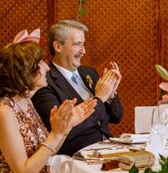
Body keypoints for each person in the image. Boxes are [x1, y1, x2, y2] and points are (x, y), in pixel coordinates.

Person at [0, 30, 96, 173]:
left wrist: (65, 127)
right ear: (24, 72)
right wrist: (56, 134)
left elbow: (47, 152)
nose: (46, 67)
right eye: (39, 63)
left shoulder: (26, 103)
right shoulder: (5, 112)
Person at [32, 20, 124, 156]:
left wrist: (110, 95)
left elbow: (117, 117)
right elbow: (64, 132)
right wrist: (100, 98)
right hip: (76, 158)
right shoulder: (45, 83)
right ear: (58, 46)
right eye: (77, 45)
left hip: (109, 149)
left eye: (83, 44)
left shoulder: (89, 73)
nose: (84, 51)